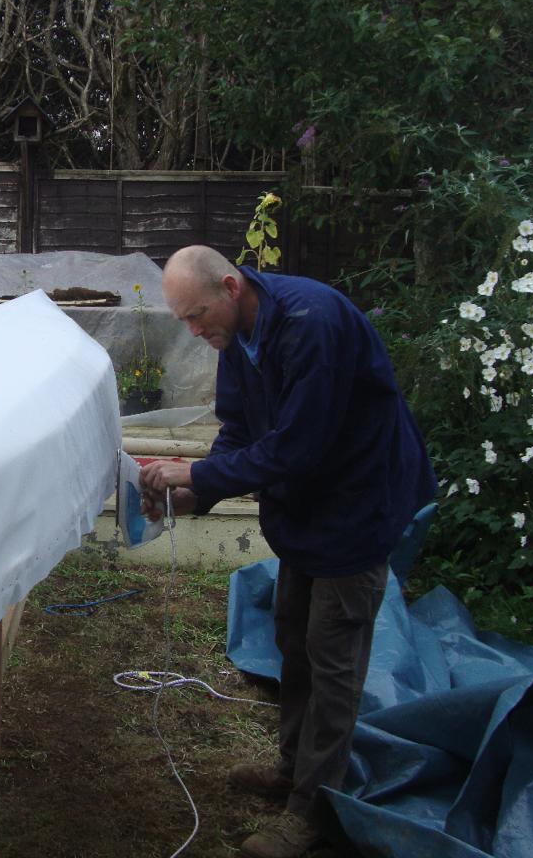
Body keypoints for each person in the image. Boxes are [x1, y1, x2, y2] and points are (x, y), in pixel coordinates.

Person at [140, 245, 436, 858]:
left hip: (358, 504)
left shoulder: (312, 324)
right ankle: (292, 769)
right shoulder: (235, 335)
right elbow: (240, 430)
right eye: (183, 320)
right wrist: (199, 495)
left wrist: (194, 473)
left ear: (230, 287)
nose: (193, 331)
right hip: (307, 508)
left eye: (197, 316)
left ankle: (313, 812)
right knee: (293, 637)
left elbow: (299, 446)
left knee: (333, 660)